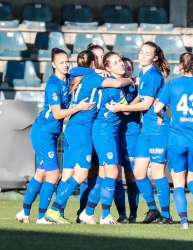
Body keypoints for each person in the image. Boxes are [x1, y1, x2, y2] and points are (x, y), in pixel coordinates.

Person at [44, 50, 134, 224]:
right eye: (99, 59)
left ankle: (77, 212)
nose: (101, 62)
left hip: (75, 127)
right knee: (82, 173)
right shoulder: (95, 79)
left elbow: (74, 71)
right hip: (83, 129)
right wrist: (131, 80)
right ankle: (55, 209)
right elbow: (117, 87)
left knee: (80, 173)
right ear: (95, 64)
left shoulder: (81, 76)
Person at [15, 48, 95, 224]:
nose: (66, 65)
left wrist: (97, 70)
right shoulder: (52, 85)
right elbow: (58, 114)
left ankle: (24, 212)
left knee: (41, 173)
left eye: (67, 61)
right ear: (53, 64)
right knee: (53, 174)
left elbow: (86, 70)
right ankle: (43, 216)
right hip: (43, 133)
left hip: (50, 133)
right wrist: (79, 107)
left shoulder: (69, 75)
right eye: (61, 62)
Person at [106, 42, 172, 224]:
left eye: (147, 53)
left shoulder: (153, 75)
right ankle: (153, 209)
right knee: (139, 172)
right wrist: (125, 107)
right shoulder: (142, 74)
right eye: (141, 52)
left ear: (155, 57)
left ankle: (166, 214)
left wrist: (121, 108)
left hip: (159, 129)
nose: (142, 55)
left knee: (158, 173)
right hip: (147, 130)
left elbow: (146, 104)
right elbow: (139, 98)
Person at [154, 52, 193, 229]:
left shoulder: (172, 85)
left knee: (178, 182)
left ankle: (184, 222)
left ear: (180, 66)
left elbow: (157, 108)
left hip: (177, 139)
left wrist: (164, 117)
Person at [79, 52, 130, 225]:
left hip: (108, 132)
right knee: (113, 172)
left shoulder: (115, 84)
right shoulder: (114, 87)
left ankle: (87, 212)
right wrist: (133, 84)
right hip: (104, 132)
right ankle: (106, 215)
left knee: (103, 176)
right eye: (115, 63)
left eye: (120, 61)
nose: (121, 64)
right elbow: (127, 110)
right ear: (107, 68)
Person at [78, 43, 106, 216]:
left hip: (102, 130)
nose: (100, 59)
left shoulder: (106, 76)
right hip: (89, 129)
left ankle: (93, 211)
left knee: (100, 172)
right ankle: (83, 210)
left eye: (102, 56)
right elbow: (73, 70)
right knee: (85, 173)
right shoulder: (87, 75)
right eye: (96, 56)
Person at [114, 57, 140, 223]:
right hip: (115, 136)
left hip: (132, 137)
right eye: (124, 68)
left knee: (132, 177)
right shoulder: (115, 87)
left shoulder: (137, 89)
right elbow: (124, 111)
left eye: (130, 69)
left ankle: (133, 214)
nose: (126, 70)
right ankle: (122, 214)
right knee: (115, 175)